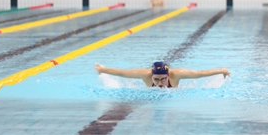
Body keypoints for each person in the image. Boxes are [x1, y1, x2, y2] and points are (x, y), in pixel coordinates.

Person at [94, 61, 230, 88]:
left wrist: (221, 70)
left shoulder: (176, 75)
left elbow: (200, 74)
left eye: (163, 79)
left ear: (168, 75)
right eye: (156, 79)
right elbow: (122, 73)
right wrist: (102, 70)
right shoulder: (145, 74)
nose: (159, 83)